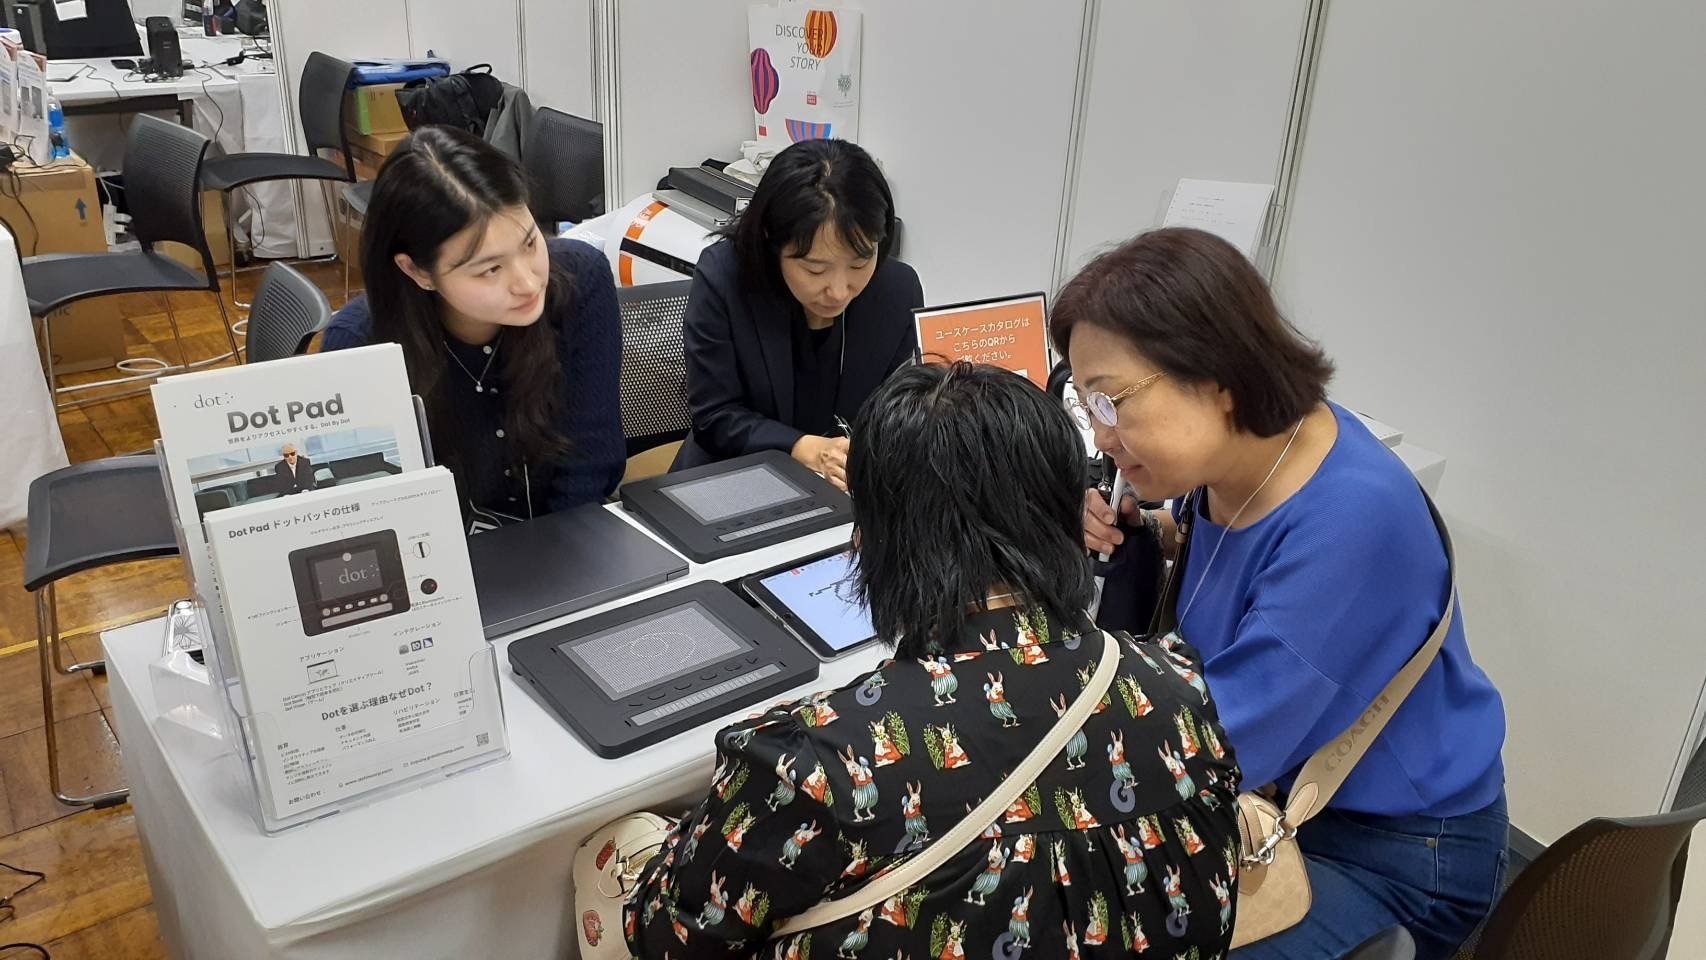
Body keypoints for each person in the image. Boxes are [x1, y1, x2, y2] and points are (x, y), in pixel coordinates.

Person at [627, 362, 1242, 960]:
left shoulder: (812, 764)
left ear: (869, 535)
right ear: (1065, 518)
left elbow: (668, 937)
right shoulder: (1181, 692)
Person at [1055, 228, 1508, 959]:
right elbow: (1238, 569)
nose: (1102, 438)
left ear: (1215, 376)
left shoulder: (1353, 524)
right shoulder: (1249, 455)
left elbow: (1212, 748)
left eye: (1112, 403)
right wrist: (1158, 528)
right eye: (1088, 407)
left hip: (1390, 852)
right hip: (1280, 798)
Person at [321, 125, 624, 531]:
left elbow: (590, 459)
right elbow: (380, 507)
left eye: (531, 243)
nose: (528, 282)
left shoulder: (580, 281)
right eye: (490, 269)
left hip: (572, 538)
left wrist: (558, 562)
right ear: (418, 271)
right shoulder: (360, 346)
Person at [675, 139, 924, 489]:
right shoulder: (725, 279)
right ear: (771, 242)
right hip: (734, 477)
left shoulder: (898, 291)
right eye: (815, 269)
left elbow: (899, 412)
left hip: (848, 488)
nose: (839, 291)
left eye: (859, 263)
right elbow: (716, 417)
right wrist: (805, 448)